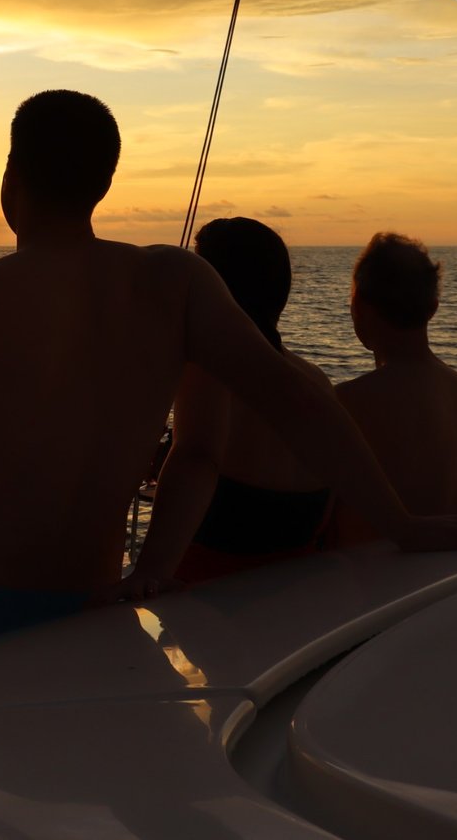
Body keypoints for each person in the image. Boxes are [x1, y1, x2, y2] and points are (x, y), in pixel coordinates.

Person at [0, 90, 457, 668]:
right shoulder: (174, 281)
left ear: (12, 176)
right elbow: (296, 399)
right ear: (104, 182)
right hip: (89, 618)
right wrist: (403, 524)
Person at [131, 217, 333, 586]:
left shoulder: (210, 369)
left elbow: (198, 457)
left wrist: (148, 573)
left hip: (209, 588)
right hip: (294, 584)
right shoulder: (314, 379)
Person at [329, 233, 457, 544]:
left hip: (372, 572)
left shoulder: (349, 401)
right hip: (453, 568)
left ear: (358, 304)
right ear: (433, 308)